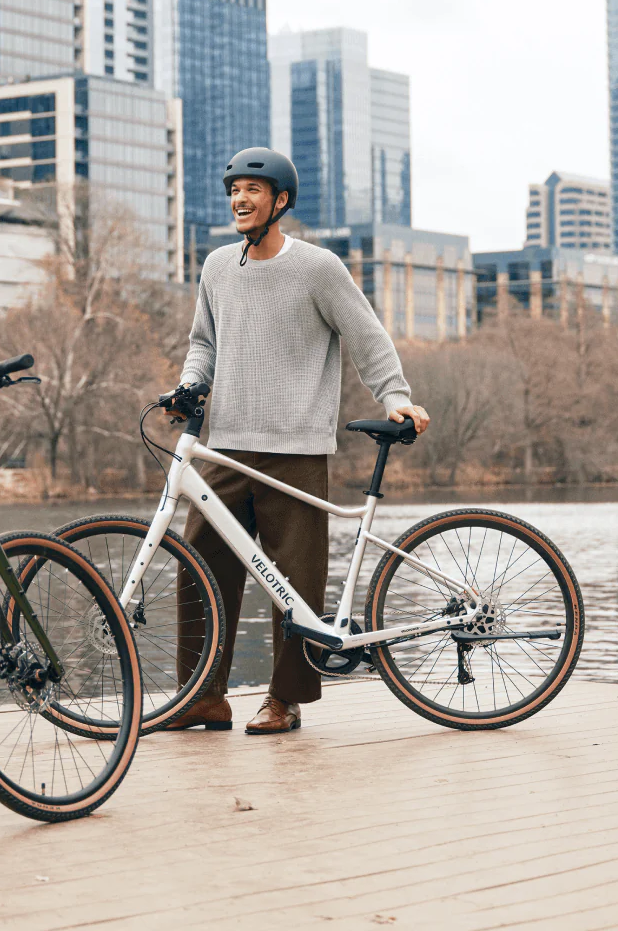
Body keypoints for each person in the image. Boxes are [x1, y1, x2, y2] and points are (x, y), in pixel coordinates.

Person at [165, 147, 430, 735]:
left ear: (280, 201)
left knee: (296, 586)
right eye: (234, 189)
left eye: (253, 190)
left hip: (297, 449)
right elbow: (203, 343)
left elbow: (367, 336)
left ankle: (284, 700)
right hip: (225, 446)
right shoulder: (214, 268)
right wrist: (189, 384)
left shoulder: (318, 267)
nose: (239, 198)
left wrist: (396, 397)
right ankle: (202, 696)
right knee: (197, 569)